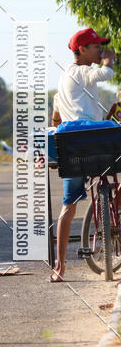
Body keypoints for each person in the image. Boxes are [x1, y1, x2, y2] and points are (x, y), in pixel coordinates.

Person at [51, 28, 116, 282]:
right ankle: (113, 216)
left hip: (72, 146)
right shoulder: (82, 71)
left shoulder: (64, 78)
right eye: (96, 46)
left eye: (101, 47)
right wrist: (110, 59)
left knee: (68, 206)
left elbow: (56, 116)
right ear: (81, 51)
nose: (99, 49)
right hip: (93, 141)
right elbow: (106, 73)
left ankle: (59, 266)